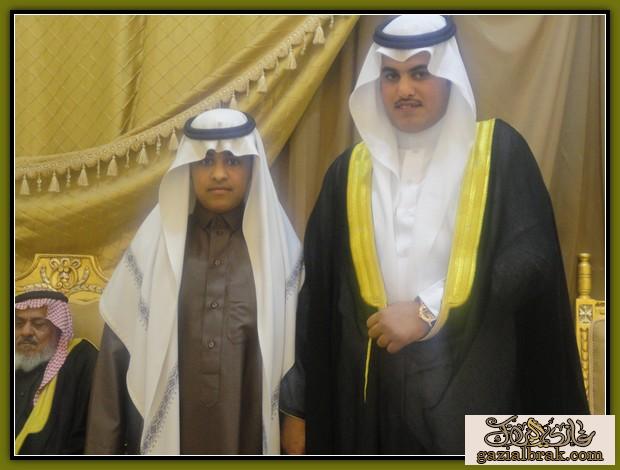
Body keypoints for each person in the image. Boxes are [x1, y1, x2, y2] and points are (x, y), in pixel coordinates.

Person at [279, 14, 588, 455]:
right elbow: (318, 304)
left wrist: (428, 310)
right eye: (391, 75)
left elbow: (530, 261)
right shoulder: (348, 173)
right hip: (373, 404)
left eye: (420, 73)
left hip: (475, 388)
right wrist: (299, 408)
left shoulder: (497, 151)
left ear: (448, 74)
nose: (404, 89)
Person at [85, 108, 302, 455]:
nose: (218, 174)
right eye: (205, 161)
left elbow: (296, 366)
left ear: (252, 168)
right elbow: (114, 361)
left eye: (233, 161)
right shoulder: (152, 248)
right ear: (187, 168)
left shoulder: (280, 254)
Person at [15, 290, 98, 455]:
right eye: (18, 323)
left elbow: (89, 435)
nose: (25, 332)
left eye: (38, 324)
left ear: (59, 328)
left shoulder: (80, 359)